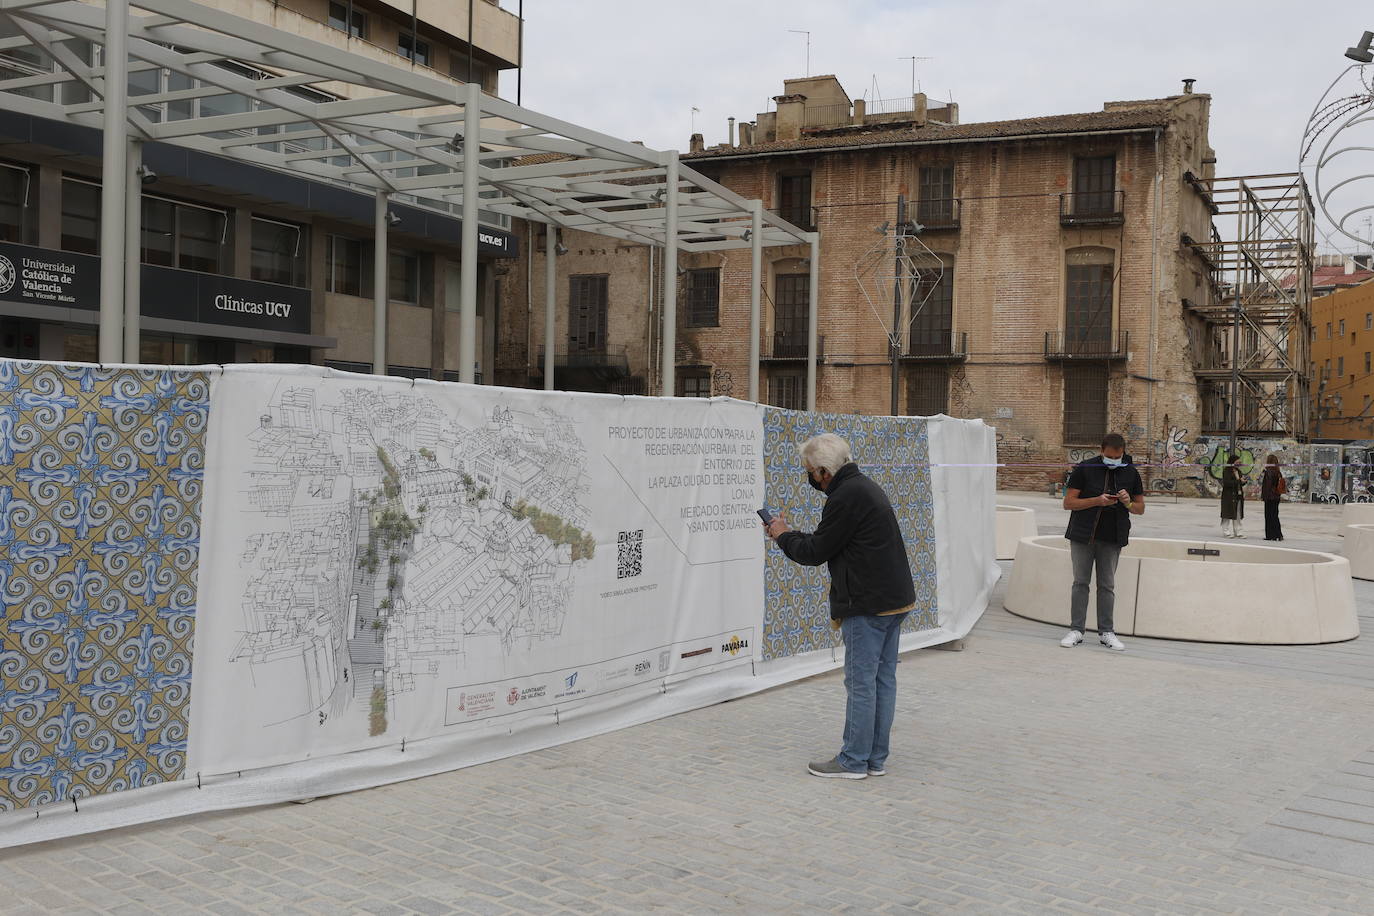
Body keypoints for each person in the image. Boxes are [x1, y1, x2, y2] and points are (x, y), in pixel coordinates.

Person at [763, 433, 915, 780]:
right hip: (893, 599)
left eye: (810, 471)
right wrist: (788, 532)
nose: (809, 478)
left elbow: (815, 552)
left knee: (861, 683)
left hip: (868, 605)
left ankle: (853, 760)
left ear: (823, 471)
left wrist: (781, 535)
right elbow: (827, 541)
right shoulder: (863, 487)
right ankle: (874, 758)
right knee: (882, 680)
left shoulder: (845, 496)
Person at [1060, 432, 1145, 652]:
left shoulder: (1131, 472)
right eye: (1109, 456)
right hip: (1082, 534)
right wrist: (1097, 501)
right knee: (1080, 582)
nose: (1113, 461)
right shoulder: (1085, 469)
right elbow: (1068, 503)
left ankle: (1107, 632)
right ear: (1101, 451)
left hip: (1113, 537)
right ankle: (1076, 629)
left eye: (1117, 457)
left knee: (1107, 586)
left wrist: (1127, 503)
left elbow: (1140, 509)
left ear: (1123, 452)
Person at [1221, 453, 1245, 538]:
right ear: (1232, 462)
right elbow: (1227, 483)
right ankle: (1226, 531)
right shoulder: (1226, 471)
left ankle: (1238, 532)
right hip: (1228, 496)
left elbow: (1240, 483)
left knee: (1238, 514)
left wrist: (1243, 482)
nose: (1239, 463)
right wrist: (1238, 481)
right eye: (1237, 462)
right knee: (1227, 514)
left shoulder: (1239, 471)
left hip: (1238, 495)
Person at [1260, 454, 1285, 541]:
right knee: (1275, 516)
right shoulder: (1278, 472)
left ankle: (1270, 535)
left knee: (1268, 516)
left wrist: (1264, 496)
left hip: (1270, 497)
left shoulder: (1268, 472)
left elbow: (1267, 486)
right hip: (1276, 496)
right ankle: (1278, 534)